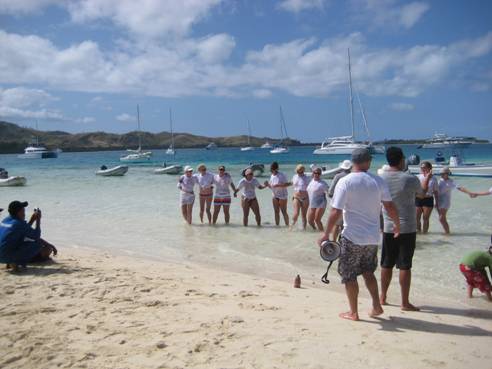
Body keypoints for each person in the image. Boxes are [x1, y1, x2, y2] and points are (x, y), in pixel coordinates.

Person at [318, 148, 400, 321]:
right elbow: (390, 206)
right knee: (368, 271)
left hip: (352, 237)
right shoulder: (378, 181)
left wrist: (326, 234)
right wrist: (397, 225)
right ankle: (376, 305)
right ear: (367, 161)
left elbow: (335, 211)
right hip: (372, 238)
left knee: (348, 274)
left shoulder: (345, 181)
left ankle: (353, 312)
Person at [379, 147, 424, 311]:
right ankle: (404, 302)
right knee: (405, 265)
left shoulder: (380, 178)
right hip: (407, 227)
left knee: (386, 263)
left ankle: (382, 297)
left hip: (388, 227)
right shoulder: (409, 178)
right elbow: (422, 194)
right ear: (401, 160)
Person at [0, 201, 57, 271]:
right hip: (6, 256)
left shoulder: (5, 220)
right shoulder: (19, 224)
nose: (24, 214)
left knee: (22, 240)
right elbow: (36, 236)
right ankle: (14, 261)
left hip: (1, 255)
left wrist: (32, 220)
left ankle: (11, 261)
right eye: (23, 211)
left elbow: (23, 231)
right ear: (19, 212)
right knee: (38, 244)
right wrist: (38, 220)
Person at [437, 167, 474, 234]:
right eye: (441, 173)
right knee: (442, 219)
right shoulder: (439, 180)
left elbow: (460, 188)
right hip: (438, 200)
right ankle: (447, 232)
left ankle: (447, 233)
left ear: (447, 174)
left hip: (445, 201)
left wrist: (469, 193)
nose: (441, 175)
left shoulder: (451, 181)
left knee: (441, 218)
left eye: (443, 173)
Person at [328, 160, 352, 240]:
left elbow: (330, 192)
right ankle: (343, 242)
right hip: (350, 205)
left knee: (337, 224)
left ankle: (334, 242)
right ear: (351, 167)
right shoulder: (353, 176)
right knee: (346, 225)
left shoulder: (338, 176)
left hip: (338, 204)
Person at [416, 161, 438, 233]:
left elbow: (435, 191)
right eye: (421, 167)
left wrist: (436, 202)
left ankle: (425, 233)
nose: (423, 169)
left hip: (428, 199)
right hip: (418, 199)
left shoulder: (434, 178)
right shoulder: (418, 176)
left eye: (424, 167)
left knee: (425, 218)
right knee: (416, 218)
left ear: (430, 168)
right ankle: (419, 232)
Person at [266, 162, 290, 226]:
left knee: (284, 212)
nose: (272, 170)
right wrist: (267, 185)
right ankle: (277, 226)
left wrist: (279, 185)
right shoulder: (271, 176)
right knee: (276, 212)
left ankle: (287, 226)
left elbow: (288, 184)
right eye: (271, 169)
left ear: (276, 168)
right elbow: (272, 187)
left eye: (273, 169)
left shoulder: (282, 175)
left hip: (282, 196)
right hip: (274, 196)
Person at [291, 164, 310, 230]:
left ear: (303, 171)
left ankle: (304, 229)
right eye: (298, 171)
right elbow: (293, 186)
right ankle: (291, 227)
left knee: (303, 215)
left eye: (301, 171)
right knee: (296, 213)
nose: (300, 173)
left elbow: (310, 188)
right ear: (297, 171)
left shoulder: (307, 178)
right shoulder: (294, 177)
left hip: (305, 198)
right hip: (296, 197)